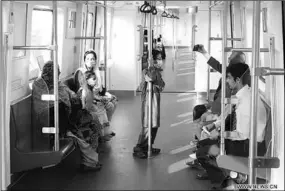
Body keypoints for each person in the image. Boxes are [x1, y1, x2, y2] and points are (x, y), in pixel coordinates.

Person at [196, 63, 267, 189]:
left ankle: (223, 180)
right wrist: (214, 125)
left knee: (204, 152)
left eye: (228, 78)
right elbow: (227, 116)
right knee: (202, 144)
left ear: (237, 80)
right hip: (242, 141)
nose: (227, 81)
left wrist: (220, 135)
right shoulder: (240, 95)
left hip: (249, 145)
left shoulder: (246, 102)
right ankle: (222, 174)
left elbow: (241, 134)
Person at [32, 61, 102, 171]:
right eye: (57, 72)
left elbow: (69, 92)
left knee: (93, 124)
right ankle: (89, 162)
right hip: (52, 120)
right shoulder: (39, 85)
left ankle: (90, 160)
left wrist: (72, 97)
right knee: (82, 130)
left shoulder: (58, 84)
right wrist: (66, 101)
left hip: (65, 116)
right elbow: (44, 106)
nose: (59, 74)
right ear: (49, 74)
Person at [75, 50, 117, 135]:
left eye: (93, 59)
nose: (90, 61)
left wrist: (107, 94)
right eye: (88, 59)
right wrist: (100, 98)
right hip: (88, 99)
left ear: (95, 61)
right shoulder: (81, 72)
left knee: (114, 102)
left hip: (95, 96)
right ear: (84, 61)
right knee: (109, 106)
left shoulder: (95, 71)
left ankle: (106, 128)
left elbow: (99, 89)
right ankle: (102, 131)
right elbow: (85, 90)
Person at [133, 60, 165, 159]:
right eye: (157, 61)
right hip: (147, 100)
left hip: (155, 100)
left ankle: (148, 145)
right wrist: (150, 75)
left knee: (155, 124)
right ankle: (139, 147)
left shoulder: (158, 73)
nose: (160, 63)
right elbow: (148, 79)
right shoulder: (146, 71)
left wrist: (155, 79)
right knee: (147, 125)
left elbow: (162, 85)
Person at [78, 70, 114, 139]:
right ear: (87, 80)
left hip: (92, 107)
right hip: (87, 110)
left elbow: (93, 97)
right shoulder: (84, 90)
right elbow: (83, 102)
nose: (95, 81)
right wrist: (84, 108)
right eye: (93, 79)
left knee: (102, 110)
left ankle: (104, 133)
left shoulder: (90, 89)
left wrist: (101, 99)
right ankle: (101, 135)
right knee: (99, 112)